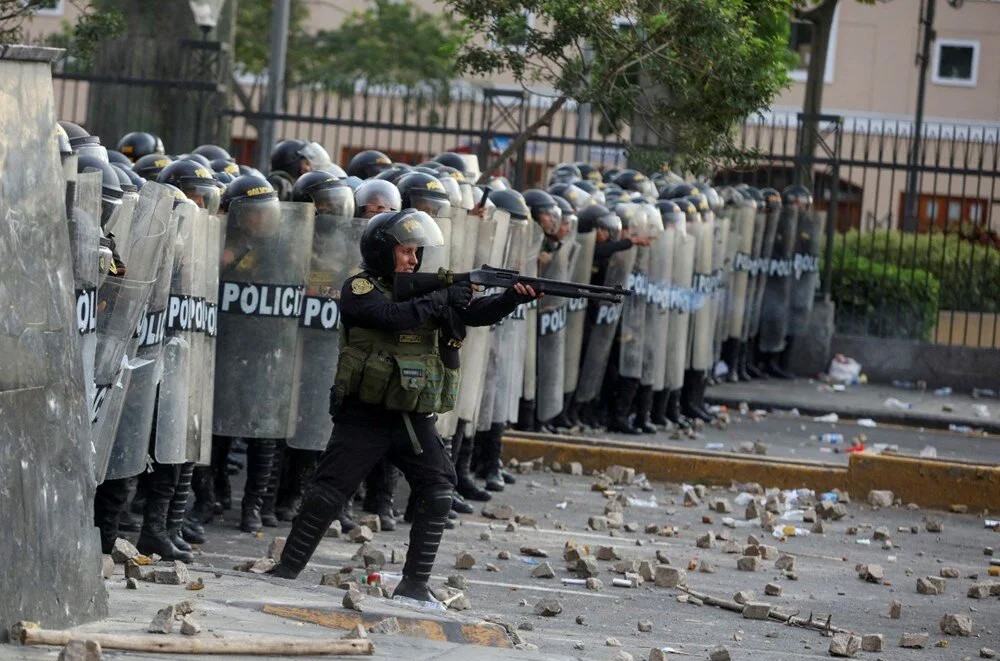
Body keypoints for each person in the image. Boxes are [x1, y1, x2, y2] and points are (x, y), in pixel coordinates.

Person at [268, 209, 539, 604]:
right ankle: (286, 570)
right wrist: (442, 296)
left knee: (439, 488)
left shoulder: (428, 293)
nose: (414, 260)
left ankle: (414, 584)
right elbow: (390, 317)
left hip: (411, 417)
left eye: (417, 252)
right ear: (382, 253)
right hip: (365, 415)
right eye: (406, 252)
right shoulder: (360, 288)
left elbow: (474, 315)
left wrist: (512, 298)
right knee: (329, 492)